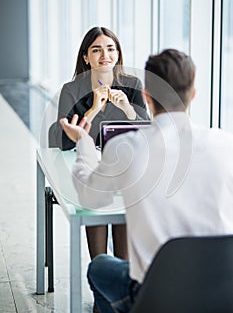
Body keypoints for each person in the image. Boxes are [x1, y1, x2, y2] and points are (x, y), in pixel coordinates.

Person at [60, 48, 233, 312]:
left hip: (157, 297)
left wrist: (84, 143)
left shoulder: (126, 148)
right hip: (223, 292)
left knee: (100, 266)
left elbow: (90, 197)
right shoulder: (225, 144)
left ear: (146, 96)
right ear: (194, 94)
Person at [50, 27, 150, 266]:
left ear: (118, 54)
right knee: (95, 199)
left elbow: (148, 135)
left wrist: (128, 110)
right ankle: (101, 279)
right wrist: (92, 110)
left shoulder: (132, 84)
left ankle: (121, 276)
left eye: (110, 48)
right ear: (86, 57)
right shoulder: (72, 90)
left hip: (124, 168)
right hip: (86, 167)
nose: (105, 54)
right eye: (97, 50)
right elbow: (60, 141)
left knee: (128, 199)